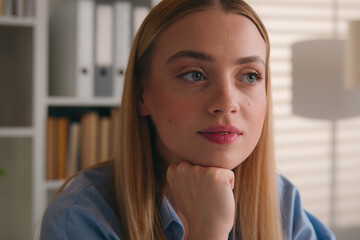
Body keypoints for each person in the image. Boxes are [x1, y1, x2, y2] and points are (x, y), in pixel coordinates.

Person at [41, 0, 336, 239]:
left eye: (249, 76)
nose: (226, 103)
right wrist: (207, 232)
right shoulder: (81, 217)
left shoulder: (282, 200)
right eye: (194, 74)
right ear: (143, 94)